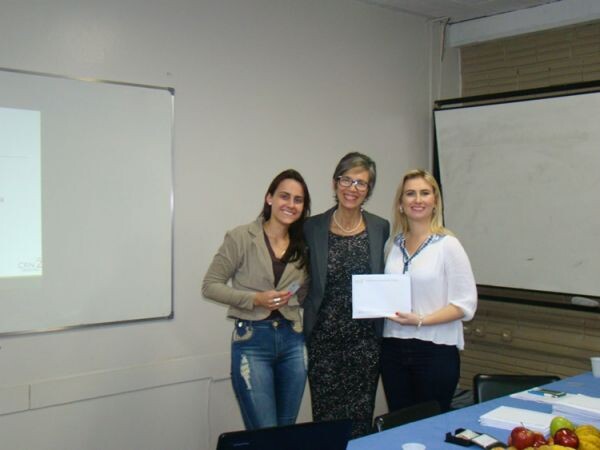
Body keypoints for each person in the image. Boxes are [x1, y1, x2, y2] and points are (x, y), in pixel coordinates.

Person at [202, 169, 311, 430]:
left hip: (293, 340)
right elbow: (210, 286)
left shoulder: (303, 245)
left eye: (298, 200)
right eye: (284, 196)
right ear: (269, 198)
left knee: (286, 430)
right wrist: (255, 299)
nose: (291, 204)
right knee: (265, 434)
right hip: (253, 341)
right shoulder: (240, 237)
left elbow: (304, 292)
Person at [303, 152, 390, 437]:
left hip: (365, 343)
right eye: (346, 180)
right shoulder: (312, 227)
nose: (352, 188)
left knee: (360, 421)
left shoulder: (380, 227)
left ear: (368, 190)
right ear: (335, 183)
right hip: (323, 342)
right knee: (325, 423)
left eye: (361, 183)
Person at [381, 169, 477, 413]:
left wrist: (421, 320)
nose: (418, 199)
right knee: (399, 424)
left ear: (435, 202)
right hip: (393, 348)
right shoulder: (392, 245)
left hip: (435, 351)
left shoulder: (448, 245)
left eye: (425, 193)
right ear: (401, 204)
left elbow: (465, 304)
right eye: (410, 194)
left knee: (430, 424)